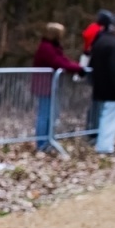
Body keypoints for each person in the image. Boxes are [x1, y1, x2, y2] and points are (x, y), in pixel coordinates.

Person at [31, 23, 85, 153]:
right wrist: (78, 68)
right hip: (45, 85)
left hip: (50, 85)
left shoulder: (53, 47)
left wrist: (77, 67)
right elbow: (58, 63)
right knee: (44, 114)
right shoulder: (47, 48)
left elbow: (63, 60)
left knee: (50, 113)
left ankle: (47, 140)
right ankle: (42, 143)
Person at [90, 13, 115, 154]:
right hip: (112, 89)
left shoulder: (100, 41)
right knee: (110, 118)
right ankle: (105, 147)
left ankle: (103, 144)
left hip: (101, 85)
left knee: (104, 116)